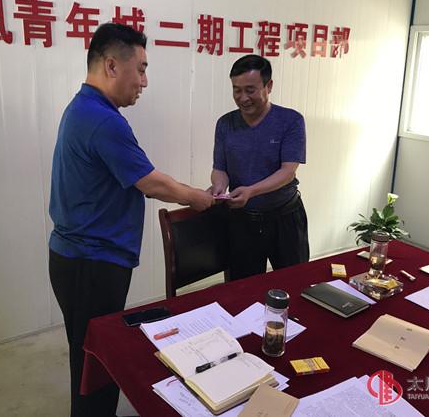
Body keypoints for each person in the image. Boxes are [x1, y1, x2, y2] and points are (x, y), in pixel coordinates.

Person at [48, 23, 213, 417]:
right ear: (111, 66)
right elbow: (151, 182)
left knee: (89, 352)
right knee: (94, 361)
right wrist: (198, 197)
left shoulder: (84, 108)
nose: (144, 81)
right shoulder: (103, 120)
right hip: (91, 263)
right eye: (140, 69)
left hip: (80, 259)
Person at [210, 54, 309, 281]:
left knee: (294, 282)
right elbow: (220, 169)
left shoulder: (291, 121)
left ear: (268, 86)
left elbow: (288, 172)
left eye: (250, 90)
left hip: (285, 217)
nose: (243, 98)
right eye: (236, 90)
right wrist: (219, 187)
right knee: (242, 287)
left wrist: (252, 191)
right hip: (242, 220)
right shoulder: (225, 124)